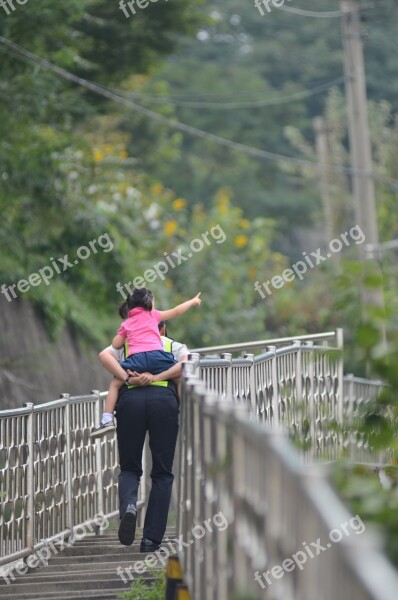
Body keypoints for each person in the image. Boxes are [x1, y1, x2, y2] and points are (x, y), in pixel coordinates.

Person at [97, 323, 189, 551]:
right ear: (164, 328)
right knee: (162, 472)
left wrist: (128, 379)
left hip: (131, 403)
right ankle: (151, 540)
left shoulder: (126, 346)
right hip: (164, 403)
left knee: (129, 468)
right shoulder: (172, 346)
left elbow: (106, 357)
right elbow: (186, 369)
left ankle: (129, 507)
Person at [91, 287, 201, 437]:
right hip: (158, 358)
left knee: (116, 383)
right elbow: (176, 311)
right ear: (149, 303)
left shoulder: (127, 323)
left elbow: (116, 344)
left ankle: (107, 419)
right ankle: (186, 416)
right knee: (177, 377)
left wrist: (124, 334)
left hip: (137, 361)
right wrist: (192, 301)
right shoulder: (153, 315)